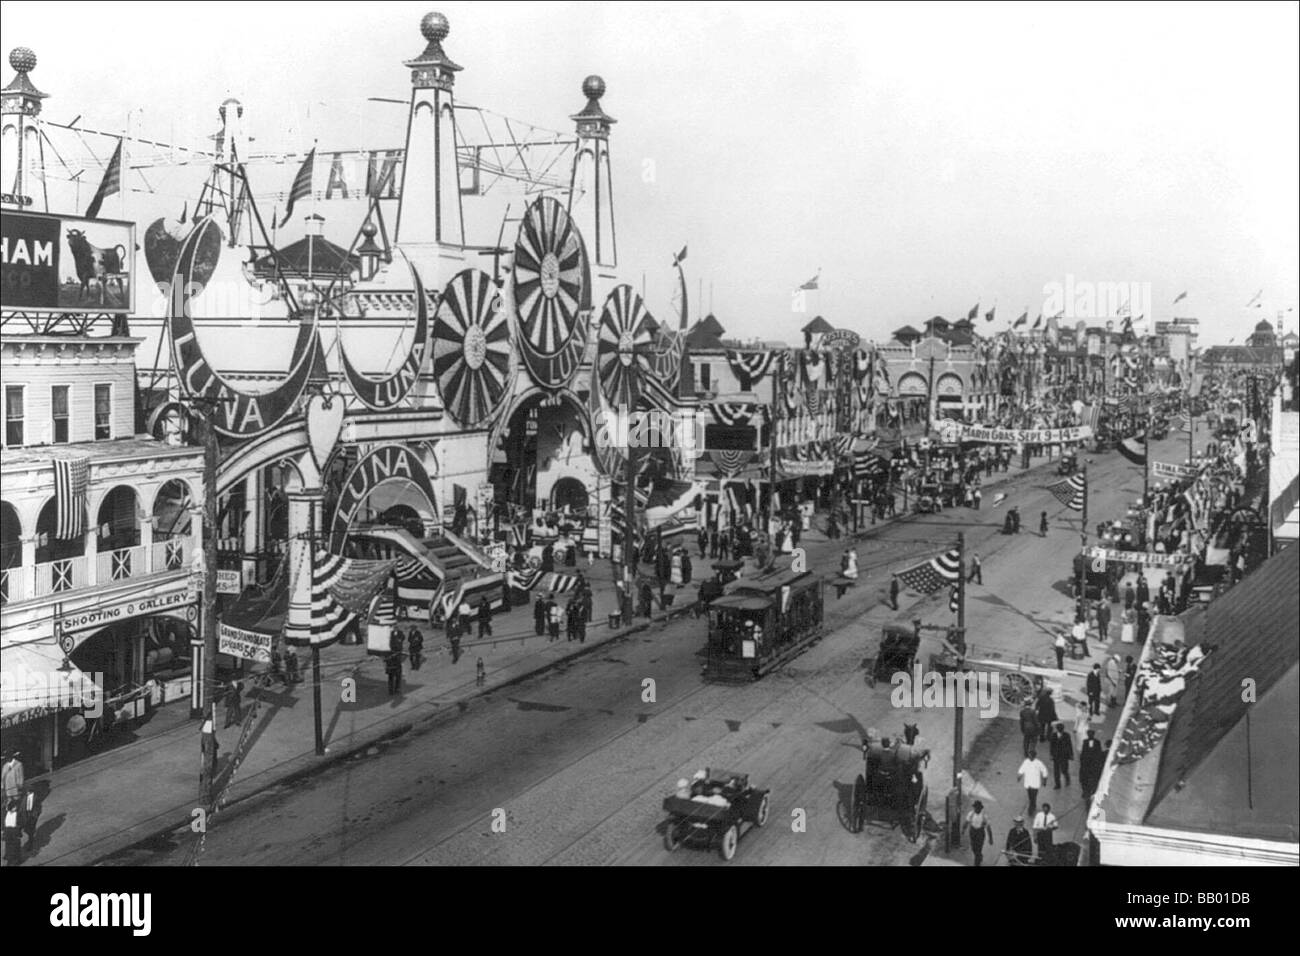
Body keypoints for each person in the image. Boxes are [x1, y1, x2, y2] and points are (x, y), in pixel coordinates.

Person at [1018, 749, 1049, 816]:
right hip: (1028, 783)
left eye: (1031, 756)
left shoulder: (1038, 763)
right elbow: (1022, 769)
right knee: (1030, 796)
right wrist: (1019, 776)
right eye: (1029, 756)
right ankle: (1033, 804)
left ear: (1034, 756)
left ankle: (1031, 808)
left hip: (1035, 784)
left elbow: (1044, 770)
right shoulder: (1026, 762)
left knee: (1033, 796)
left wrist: (1044, 780)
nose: (1030, 757)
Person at [963, 799, 993, 866]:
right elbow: (966, 822)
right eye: (975, 807)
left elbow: (988, 827)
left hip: (980, 833)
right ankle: (979, 856)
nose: (976, 809)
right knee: (974, 848)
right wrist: (963, 829)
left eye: (978, 808)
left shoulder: (984, 816)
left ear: (980, 808)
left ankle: (977, 863)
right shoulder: (971, 814)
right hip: (973, 832)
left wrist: (990, 838)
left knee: (978, 849)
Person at [1079, 729, 1105, 804]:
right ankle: (1085, 792)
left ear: (1093, 735)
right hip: (1086, 764)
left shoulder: (1097, 742)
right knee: (1084, 779)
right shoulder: (1085, 742)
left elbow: (1099, 752)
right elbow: (1083, 752)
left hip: (1093, 764)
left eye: (1091, 734)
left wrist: (1097, 762)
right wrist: (1082, 762)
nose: (1090, 736)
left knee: (1093, 779)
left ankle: (1092, 792)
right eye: (1089, 734)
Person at [1048, 721, 1073, 789]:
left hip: (1064, 755)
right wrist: (1051, 755)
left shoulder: (1067, 735)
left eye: (1061, 728)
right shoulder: (1054, 735)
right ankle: (1057, 784)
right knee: (1056, 771)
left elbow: (1069, 745)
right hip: (1056, 756)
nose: (1060, 730)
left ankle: (1067, 779)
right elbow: (1051, 746)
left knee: (1064, 769)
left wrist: (1071, 754)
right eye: (1059, 728)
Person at [3, 798, 22, 867]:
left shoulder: (17, 814)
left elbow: (20, 823)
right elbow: (4, 823)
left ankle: (16, 860)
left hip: (15, 831)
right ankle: (10, 860)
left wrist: (18, 830)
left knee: (15, 846)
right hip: (8, 831)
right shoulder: (6, 813)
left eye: (16, 807)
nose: (15, 808)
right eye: (14, 807)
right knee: (8, 846)